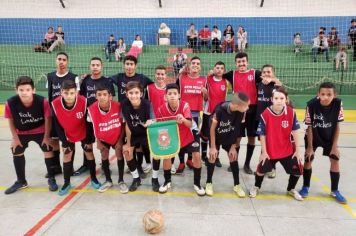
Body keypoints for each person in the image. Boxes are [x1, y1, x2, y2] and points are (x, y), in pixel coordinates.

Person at [224, 52, 276, 174]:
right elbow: (217, 74)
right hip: (238, 110)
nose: (241, 64)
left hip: (253, 110)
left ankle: (247, 164)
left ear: (247, 62)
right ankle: (234, 163)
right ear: (236, 63)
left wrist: (272, 79)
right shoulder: (232, 74)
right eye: (239, 62)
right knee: (236, 138)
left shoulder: (255, 73)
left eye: (243, 61)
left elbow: (274, 80)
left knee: (251, 138)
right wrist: (211, 72)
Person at [4, 76, 58, 194]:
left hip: (40, 130)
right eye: (21, 90)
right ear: (16, 90)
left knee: (48, 147)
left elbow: (48, 119)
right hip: (21, 132)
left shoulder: (42, 101)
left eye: (27, 90)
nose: (24, 93)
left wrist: (46, 137)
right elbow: (11, 121)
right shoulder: (10, 103)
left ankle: (51, 178)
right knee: (16, 149)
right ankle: (21, 181)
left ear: (33, 90)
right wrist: (15, 138)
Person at [249, 86, 303, 201]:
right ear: (272, 100)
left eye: (282, 98)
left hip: (287, 150)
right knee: (260, 170)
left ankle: (291, 189)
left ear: (286, 100)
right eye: (277, 98)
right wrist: (264, 152)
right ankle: (256, 187)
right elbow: (262, 134)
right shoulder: (266, 114)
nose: (279, 100)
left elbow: (296, 131)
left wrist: (298, 151)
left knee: (298, 169)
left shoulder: (291, 112)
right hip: (270, 150)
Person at [299, 82, 347, 204]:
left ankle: (335, 190)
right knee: (308, 158)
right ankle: (305, 187)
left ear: (334, 95)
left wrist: (334, 146)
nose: (325, 97)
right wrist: (310, 147)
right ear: (318, 94)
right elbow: (309, 127)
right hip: (313, 135)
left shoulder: (338, 104)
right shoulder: (311, 105)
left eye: (329, 94)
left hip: (329, 136)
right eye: (323, 94)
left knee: (335, 159)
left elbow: (337, 126)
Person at [52, 80, 101, 196]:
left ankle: (94, 178)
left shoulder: (84, 102)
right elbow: (57, 125)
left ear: (76, 93)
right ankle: (66, 182)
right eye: (66, 93)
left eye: (72, 93)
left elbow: (89, 122)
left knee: (89, 152)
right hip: (67, 133)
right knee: (67, 154)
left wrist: (88, 139)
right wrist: (64, 141)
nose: (69, 96)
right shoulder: (55, 104)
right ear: (61, 92)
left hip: (83, 131)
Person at [156, 83, 205, 196]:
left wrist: (183, 119)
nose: (172, 96)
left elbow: (190, 124)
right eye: (169, 94)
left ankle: (197, 184)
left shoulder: (184, 105)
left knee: (196, 155)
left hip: (189, 134)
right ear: (165, 96)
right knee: (167, 156)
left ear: (179, 95)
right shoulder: (161, 109)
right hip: (173, 135)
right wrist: (150, 123)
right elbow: (160, 127)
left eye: (174, 93)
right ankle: (167, 181)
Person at [110, 55, 154, 173]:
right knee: (127, 140)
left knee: (140, 143)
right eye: (127, 64)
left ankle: (140, 165)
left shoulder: (142, 78)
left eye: (131, 64)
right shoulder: (119, 77)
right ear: (124, 65)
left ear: (135, 66)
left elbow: (153, 86)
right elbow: (106, 81)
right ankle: (132, 164)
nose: (129, 66)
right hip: (125, 113)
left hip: (140, 113)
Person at [206, 93, 250, 197]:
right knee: (212, 157)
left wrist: (233, 146)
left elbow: (238, 130)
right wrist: (212, 147)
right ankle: (209, 183)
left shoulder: (241, 112)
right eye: (246, 106)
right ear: (237, 106)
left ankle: (237, 185)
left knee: (233, 157)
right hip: (216, 136)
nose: (248, 108)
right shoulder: (220, 110)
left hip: (229, 136)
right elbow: (212, 129)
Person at [87, 84, 128, 193]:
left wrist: (120, 141)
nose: (102, 97)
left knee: (119, 153)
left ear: (110, 96)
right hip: (103, 138)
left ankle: (121, 180)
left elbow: (124, 124)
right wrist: (98, 141)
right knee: (104, 154)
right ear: (96, 96)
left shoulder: (118, 106)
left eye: (105, 94)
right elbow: (92, 127)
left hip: (116, 136)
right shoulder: (91, 110)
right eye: (99, 95)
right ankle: (108, 180)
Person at [46, 52, 79, 178]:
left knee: (70, 142)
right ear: (56, 61)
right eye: (59, 59)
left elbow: (77, 97)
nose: (61, 61)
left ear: (67, 62)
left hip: (68, 116)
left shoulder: (73, 77)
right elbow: (49, 97)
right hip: (54, 115)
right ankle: (56, 167)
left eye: (64, 59)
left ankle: (69, 168)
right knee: (54, 141)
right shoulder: (50, 77)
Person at [121, 81, 155, 191]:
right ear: (127, 94)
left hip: (147, 133)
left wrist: (151, 122)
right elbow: (127, 124)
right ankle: (136, 178)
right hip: (134, 133)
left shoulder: (147, 104)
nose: (134, 95)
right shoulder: (124, 105)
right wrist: (128, 143)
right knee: (127, 151)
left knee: (156, 152)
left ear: (141, 93)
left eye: (136, 92)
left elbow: (153, 119)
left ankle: (155, 179)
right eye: (131, 93)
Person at [176, 56, 207, 174]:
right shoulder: (182, 78)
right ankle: (181, 162)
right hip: (182, 113)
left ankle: (189, 160)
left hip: (196, 114)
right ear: (189, 65)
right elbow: (175, 92)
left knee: (192, 138)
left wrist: (205, 93)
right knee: (181, 138)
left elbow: (206, 98)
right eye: (193, 63)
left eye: (198, 63)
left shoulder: (204, 80)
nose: (195, 65)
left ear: (200, 67)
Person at [256, 64, 282, 178]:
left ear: (273, 73)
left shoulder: (276, 85)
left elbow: (280, 87)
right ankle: (263, 166)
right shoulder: (258, 84)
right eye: (264, 72)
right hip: (261, 119)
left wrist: (274, 80)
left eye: (269, 72)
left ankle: (272, 168)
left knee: (271, 144)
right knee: (263, 145)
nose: (266, 74)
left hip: (273, 119)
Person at [200, 61, 228, 168]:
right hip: (208, 112)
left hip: (220, 113)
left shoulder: (226, 81)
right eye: (217, 68)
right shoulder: (208, 79)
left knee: (217, 136)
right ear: (214, 68)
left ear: (224, 70)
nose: (219, 70)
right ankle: (203, 155)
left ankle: (216, 156)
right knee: (205, 135)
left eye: (221, 68)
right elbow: (205, 97)